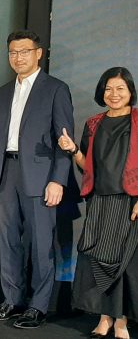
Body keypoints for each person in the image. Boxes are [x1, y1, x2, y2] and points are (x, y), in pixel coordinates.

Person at [0, 30, 74, 329]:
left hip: (41, 177)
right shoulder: (4, 92)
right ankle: (12, 301)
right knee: (9, 241)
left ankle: (38, 306)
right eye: (13, 52)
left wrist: (58, 180)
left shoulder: (56, 89)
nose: (18, 57)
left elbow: (65, 140)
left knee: (41, 244)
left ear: (39, 53)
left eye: (24, 51)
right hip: (7, 172)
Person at [58, 67, 137, 339]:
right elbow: (86, 166)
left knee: (124, 262)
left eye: (120, 89)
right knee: (97, 258)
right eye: (108, 89)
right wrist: (73, 150)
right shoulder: (93, 124)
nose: (114, 94)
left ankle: (121, 321)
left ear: (130, 92)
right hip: (99, 200)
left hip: (129, 202)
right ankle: (104, 318)